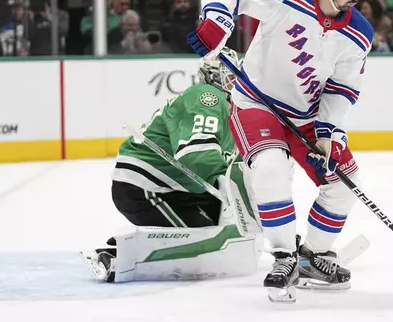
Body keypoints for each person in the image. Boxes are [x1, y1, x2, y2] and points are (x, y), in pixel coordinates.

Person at [187, 0, 374, 303]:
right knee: (270, 166)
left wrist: (327, 130)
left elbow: (342, 88)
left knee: (346, 183)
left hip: (306, 117)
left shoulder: (360, 33)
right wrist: (217, 19)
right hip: (256, 102)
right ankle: (284, 255)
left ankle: (313, 256)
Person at [82, 48, 262, 283]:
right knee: (206, 242)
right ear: (213, 74)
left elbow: (234, 169)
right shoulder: (207, 96)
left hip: (182, 187)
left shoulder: (231, 109)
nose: (236, 80)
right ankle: (117, 256)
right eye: (230, 74)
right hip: (146, 187)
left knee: (231, 225)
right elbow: (197, 156)